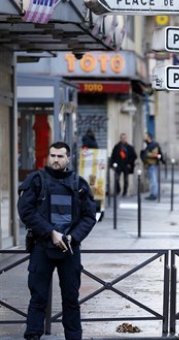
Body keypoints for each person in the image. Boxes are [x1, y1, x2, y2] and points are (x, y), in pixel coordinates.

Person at [17, 141, 97, 340]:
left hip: (69, 250)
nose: (55, 159)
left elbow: (89, 216)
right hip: (42, 247)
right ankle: (33, 336)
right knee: (38, 298)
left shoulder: (79, 184)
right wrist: (50, 232)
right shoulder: (37, 180)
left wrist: (73, 237)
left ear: (68, 158)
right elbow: (25, 211)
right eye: (52, 155)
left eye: (60, 156)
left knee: (71, 300)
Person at [141, 132, 161, 200]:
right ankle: (152, 193)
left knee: (153, 180)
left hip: (153, 164)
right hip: (149, 165)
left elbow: (155, 154)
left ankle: (154, 194)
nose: (144, 137)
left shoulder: (154, 144)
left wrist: (147, 154)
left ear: (149, 137)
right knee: (151, 180)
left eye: (145, 136)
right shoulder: (147, 144)